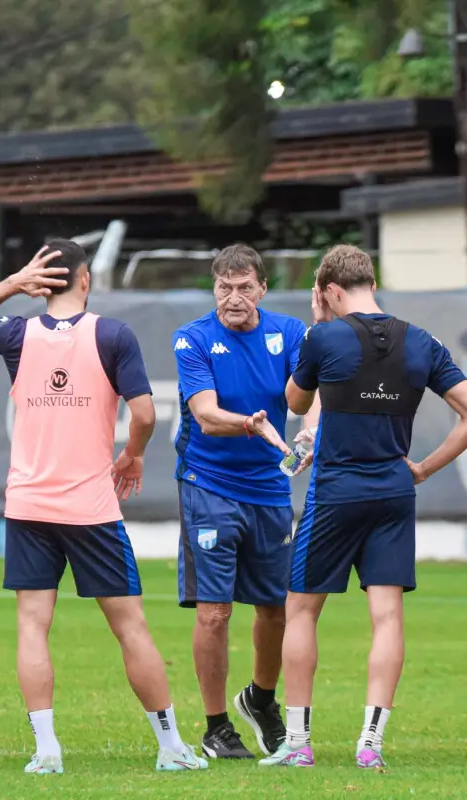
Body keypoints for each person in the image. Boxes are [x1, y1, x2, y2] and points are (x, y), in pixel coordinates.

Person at [0, 240, 208, 774]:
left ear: (42, 284)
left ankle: (47, 750)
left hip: (28, 506)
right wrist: (133, 457)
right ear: (86, 280)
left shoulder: (16, 334)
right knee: (130, 627)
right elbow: (142, 414)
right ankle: (171, 747)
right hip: (91, 508)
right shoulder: (113, 335)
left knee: (31, 626)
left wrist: (11, 283)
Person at [261, 244, 467, 769]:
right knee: (387, 615)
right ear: (372, 283)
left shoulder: (324, 335)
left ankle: (297, 745)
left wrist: (319, 327)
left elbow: (296, 403)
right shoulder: (422, 341)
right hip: (393, 489)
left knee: (301, 610)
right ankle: (371, 745)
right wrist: (424, 468)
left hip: (336, 491)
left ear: (331, 292)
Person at [171, 244, 307, 759]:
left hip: (270, 489)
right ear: (214, 289)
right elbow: (205, 415)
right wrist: (252, 422)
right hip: (209, 486)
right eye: (224, 288)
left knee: (276, 610)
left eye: (244, 287)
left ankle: (262, 700)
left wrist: (308, 430)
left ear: (262, 289)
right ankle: (215, 725)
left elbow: (302, 399)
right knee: (214, 613)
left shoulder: (291, 334)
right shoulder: (193, 338)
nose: (234, 298)